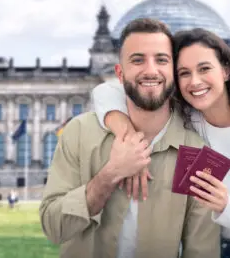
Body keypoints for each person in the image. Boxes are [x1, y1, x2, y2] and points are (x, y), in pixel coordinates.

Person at [92, 27, 230, 258]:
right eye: (184, 73)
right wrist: (128, 135)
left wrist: (226, 205)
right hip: (206, 245)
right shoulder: (188, 116)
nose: (195, 82)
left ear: (226, 71)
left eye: (204, 68)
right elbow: (105, 89)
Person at [39, 19, 220, 258]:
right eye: (137, 60)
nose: (150, 70)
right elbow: (54, 228)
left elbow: (202, 252)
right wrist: (110, 174)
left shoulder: (200, 154)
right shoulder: (79, 132)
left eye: (161, 60)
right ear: (119, 73)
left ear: (175, 72)